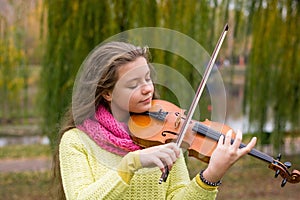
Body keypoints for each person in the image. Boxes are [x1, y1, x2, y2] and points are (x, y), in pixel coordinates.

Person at [52, 41, 257, 200]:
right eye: (133, 84)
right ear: (107, 93)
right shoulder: (77, 141)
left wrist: (212, 174)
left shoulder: (164, 133)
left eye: (147, 78)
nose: (148, 88)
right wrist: (132, 162)